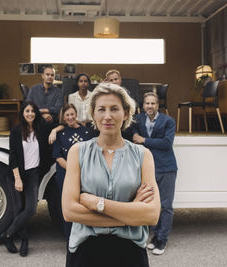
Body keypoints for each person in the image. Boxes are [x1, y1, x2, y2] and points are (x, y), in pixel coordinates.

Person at [62, 83, 160, 267]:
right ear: (93, 113)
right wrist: (130, 213)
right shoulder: (78, 152)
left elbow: (152, 214)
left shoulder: (142, 155)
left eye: (114, 109)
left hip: (130, 253)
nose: (107, 116)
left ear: (126, 113)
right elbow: (69, 211)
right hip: (85, 252)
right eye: (101, 109)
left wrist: (97, 204)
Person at [0, 101, 52, 257]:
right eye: (27, 111)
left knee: (30, 209)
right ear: (22, 113)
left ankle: (6, 235)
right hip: (16, 175)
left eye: (32, 111)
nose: (30, 114)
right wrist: (17, 178)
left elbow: (58, 126)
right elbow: (13, 156)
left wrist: (57, 129)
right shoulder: (16, 131)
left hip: (33, 174)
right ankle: (24, 241)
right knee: (18, 209)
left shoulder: (40, 129)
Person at [132, 92, 178, 256]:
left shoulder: (168, 121)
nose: (150, 106)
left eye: (153, 103)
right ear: (143, 106)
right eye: (147, 103)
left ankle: (162, 238)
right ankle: (155, 235)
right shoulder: (138, 120)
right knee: (151, 203)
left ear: (158, 106)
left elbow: (167, 143)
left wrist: (144, 140)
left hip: (166, 167)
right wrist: (137, 137)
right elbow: (133, 137)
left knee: (165, 206)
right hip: (148, 168)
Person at [52, 103, 93, 239]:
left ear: (76, 114)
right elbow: (58, 157)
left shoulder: (86, 132)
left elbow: (91, 154)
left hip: (84, 175)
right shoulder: (60, 133)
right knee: (68, 208)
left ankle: (83, 237)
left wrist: (81, 171)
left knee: (83, 207)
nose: (70, 117)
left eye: (72, 114)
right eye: (67, 115)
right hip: (65, 175)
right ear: (64, 117)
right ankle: (70, 238)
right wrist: (74, 170)